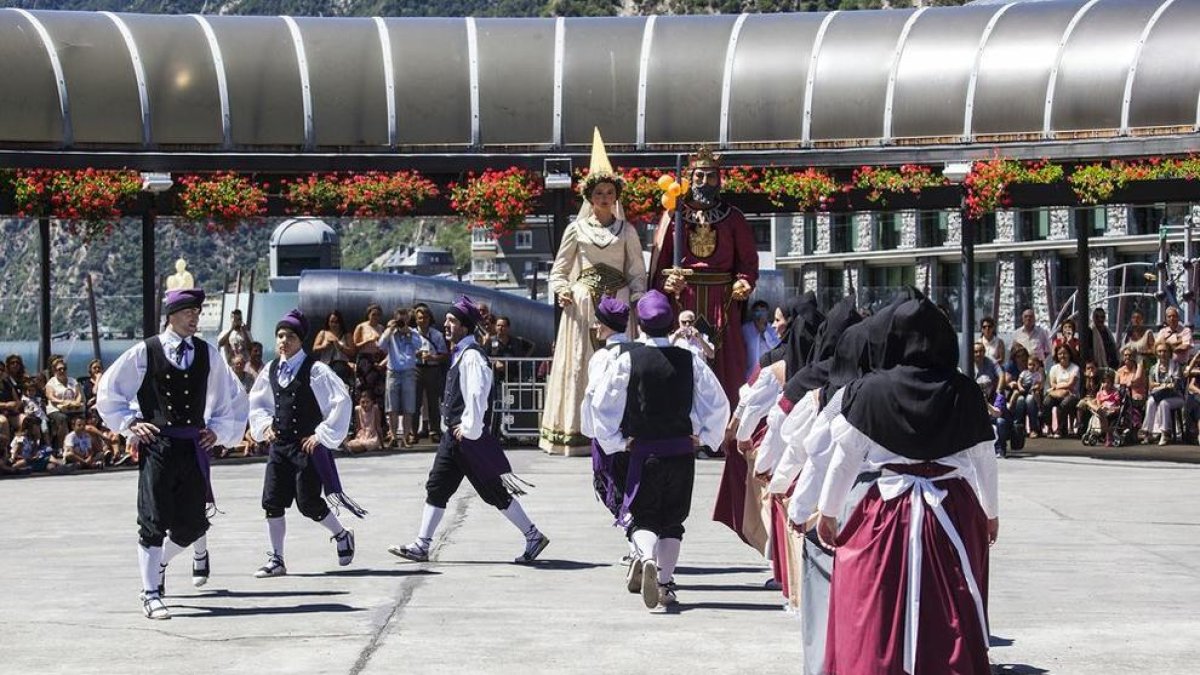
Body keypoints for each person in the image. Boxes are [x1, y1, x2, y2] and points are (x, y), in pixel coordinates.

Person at [816, 297, 998, 674]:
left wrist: (828, 512)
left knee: (877, 603)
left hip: (886, 513)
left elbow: (844, 458)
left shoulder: (870, 390)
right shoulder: (964, 391)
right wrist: (990, 513)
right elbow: (984, 458)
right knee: (951, 605)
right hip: (952, 509)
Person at [96, 288, 249, 620]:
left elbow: (231, 397)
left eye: (197, 312)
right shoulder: (146, 351)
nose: (195, 318)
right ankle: (150, 592)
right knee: (152, 520)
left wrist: (219, 430)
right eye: (188, 312)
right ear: (172, 316)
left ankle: (159, 563)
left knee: (194, 523)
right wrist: (130, 423)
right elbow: (109, 390)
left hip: (192, 445)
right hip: (159, 447)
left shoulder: (208, 354)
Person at [589, 290, 730, 610]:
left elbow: (603, 404)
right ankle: (665, 582)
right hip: (681, 450)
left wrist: (614, 441)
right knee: (674, 519)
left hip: (644, 451)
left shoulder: (627, 359)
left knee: (642, 517)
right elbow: (719, 403)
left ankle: (646, 557)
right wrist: (706, 437)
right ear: (670, 323)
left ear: (640, 324)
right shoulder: (690, 358)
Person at [389, 296, 550, 564]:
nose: (446, 325)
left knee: (493, 491)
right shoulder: (461, 354)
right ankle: (421, 544)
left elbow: (477, 395)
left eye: (452, 321)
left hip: (466, 438)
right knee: (437, 487)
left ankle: (533, 535)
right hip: (454, 438)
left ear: (465, 326)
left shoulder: (472, 356)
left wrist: (469, 428)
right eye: (447, 320)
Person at [540, 129, 648, 456]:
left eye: (609, 192)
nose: (604, 197)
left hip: (616, 303)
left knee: (618, 369)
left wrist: (637, 297)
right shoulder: (576, 229)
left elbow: (637, 271)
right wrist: (563, 289)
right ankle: (576, 431)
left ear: (616, 197)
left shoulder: (626, 230)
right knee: (581, 365)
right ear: (590, 197)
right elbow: (559, 269)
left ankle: (619, 430)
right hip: (584, 305)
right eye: (598, 192)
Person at [247, 309, 360, 579]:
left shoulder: (316, 369)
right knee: (272, 502)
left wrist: (320, 435)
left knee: (308, 502)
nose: (283, 341)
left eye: (289, 336)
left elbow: (340, 401)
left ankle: (342, 534)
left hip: (305, 447)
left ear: (301, 340)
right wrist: (264, 427)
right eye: (280, 335)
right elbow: (258, 402)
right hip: (279, 447)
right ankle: (277, 559)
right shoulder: (271, 369)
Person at [655, 147, 760, 406]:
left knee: (726, 364)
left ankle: (726, 432)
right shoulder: (674, 216)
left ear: (719, 179)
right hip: (684, 298)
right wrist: (666, 283)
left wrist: (744, 281)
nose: (704, 181)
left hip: (721, 301)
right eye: (699, 175)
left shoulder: (733, 217)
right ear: (689, 178)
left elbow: (747, 261)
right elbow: (660, 263)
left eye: (710, 176)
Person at [579, 296, 642, 560]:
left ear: (606, 325)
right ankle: (638, 544)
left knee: (611, 488)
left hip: (610, 435)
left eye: (598, 322)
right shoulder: (639, 351)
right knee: (635, 490)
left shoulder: (604, 356)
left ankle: (637, 545)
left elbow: (596, 398)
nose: (594, 326)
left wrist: (600, 434)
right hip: (637, 433)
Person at [378, 307, 423, 448]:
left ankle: (405, 437)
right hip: (393, 372)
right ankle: (393, 435)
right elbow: (381, 345)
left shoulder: (413, 332)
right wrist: (389, 330)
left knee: (408, 406)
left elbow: (419, 345)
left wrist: (407, 332)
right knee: (392, 407)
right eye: (399, 319)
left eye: (404, 319)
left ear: (408, 319)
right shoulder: (391, 333)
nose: (402, 322)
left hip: (408, 372)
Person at [413, 304, 449, 443]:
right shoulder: (412, 334)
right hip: (416, 368)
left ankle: (435, 430)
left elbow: (445, 355)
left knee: (434, 402)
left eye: (426, 317)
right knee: (414, 402)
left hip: (432, 369)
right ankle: (413, 431)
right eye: (420, 318)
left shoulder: (437, 335)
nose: (423, 320)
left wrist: (433, 357)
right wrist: (415, 354)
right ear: (416, 320)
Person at [1144, 341, 1183, 446]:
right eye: (1160, 351)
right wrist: (1164, 385)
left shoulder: (1175, 366)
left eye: (1165, 351)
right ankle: (1148, 432)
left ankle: (1165, 433)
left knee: (1164, 403)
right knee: (1151, 401)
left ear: (1169, 352)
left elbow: (1174, 385)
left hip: (1176, 396)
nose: (1162, 354)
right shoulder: (1153, 368)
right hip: (1159, 395)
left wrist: (1159, 385)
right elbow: (1151, 385)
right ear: (1156, 353)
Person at [45, 357, 85, 449]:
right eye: (59, 369)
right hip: (56, 409)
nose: (62, 371)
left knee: (80, 419)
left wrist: (76, 402)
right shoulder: (51, 383)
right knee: (63, 419)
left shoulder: (73, 381)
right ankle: (62, 447)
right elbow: (51, 397)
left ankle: (81, 445)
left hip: (72, 407)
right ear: (55, 371)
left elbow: (78, 395)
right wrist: (63, 402)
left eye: (64, 369)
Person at [313, 310, 356, 394]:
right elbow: (314, 349)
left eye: (337, 322)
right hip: (326, 365)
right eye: (332, 322)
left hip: (341, 365)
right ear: (328, 322)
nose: (334, 324)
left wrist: (340, 347)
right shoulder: (323, 333)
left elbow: (352, 352)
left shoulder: (346, 335)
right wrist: (325, 346)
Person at [1043, 345, 1081, 437]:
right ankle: (1049, 428)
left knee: (1065, 403)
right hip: (1057, 393)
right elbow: (1052, 384)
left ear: (1069, 354)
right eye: (1060, 354)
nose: (1062, 356)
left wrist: (1059, 386)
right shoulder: (1054, 368)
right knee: (1047, 402)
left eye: (1065, 353)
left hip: (1072, 394)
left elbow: (1071, 384)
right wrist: (1062, 387)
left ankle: (1059, 429)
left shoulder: (1075, 368)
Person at [353, 304, 387, 404]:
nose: (376, 317)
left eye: (378, 315)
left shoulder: (381, 328)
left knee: (377, 387)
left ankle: (378, 415)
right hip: (364, 359)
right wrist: (368, 341)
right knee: (362, 387)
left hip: (377, 359)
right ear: (369, 315)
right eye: (373, 314)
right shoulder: (361, 326)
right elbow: (355, 345)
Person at [742, 299, 780, 378]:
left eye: (763, 311)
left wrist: (764, 332)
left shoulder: (773, 329)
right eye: (757, 311)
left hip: (768, 371)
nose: (760, 314)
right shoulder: (746, 329)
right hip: (751, 371)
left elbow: (776, 348)